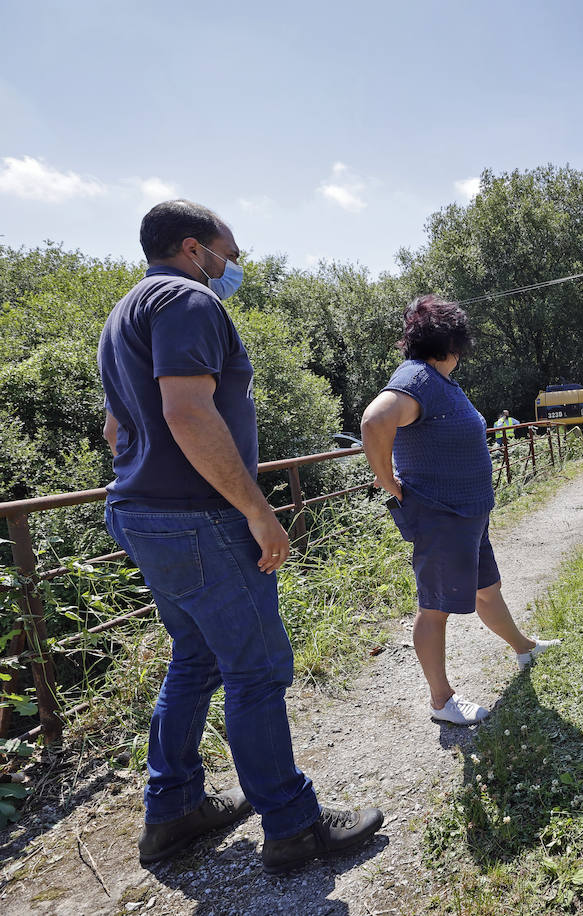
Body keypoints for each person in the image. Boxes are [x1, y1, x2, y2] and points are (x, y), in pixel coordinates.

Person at [98, 200, 382, 874]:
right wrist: (256, 509)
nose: (235, 264)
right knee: (254, 669)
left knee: (194, 658)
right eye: (231, 248)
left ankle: (172, 813)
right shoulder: (188, 302)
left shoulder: (123, 315)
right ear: (195, 248)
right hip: (198, 518)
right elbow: (189, 414)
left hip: (142, 513)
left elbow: (116, 430)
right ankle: (292, 825)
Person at [362, 294, 560, 730]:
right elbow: (374, 421)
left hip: (467, 513)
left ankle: (523, 647)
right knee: (434, 608)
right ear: (451, 343)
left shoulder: (438, 380)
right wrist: (387, 481)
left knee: (487, 589)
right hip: (440, 514)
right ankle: (442, 699)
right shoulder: (416, 379)